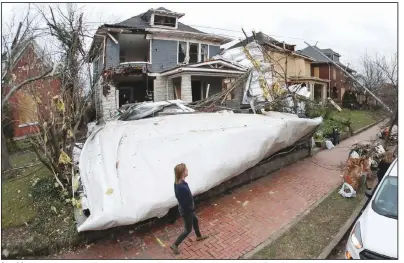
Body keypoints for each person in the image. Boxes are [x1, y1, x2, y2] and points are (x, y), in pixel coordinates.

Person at [170, 163, 208, 255]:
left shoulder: (177, 183)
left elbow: (179, 197)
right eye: (186, 170)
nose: (188, 171)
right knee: (187, 230)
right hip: (187, 211)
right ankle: (175, 244)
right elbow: (185, 202)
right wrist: (190, 209)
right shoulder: (182, 187)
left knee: (195, 220)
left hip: (186, 209)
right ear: (182, 173)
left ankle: (198, 236)